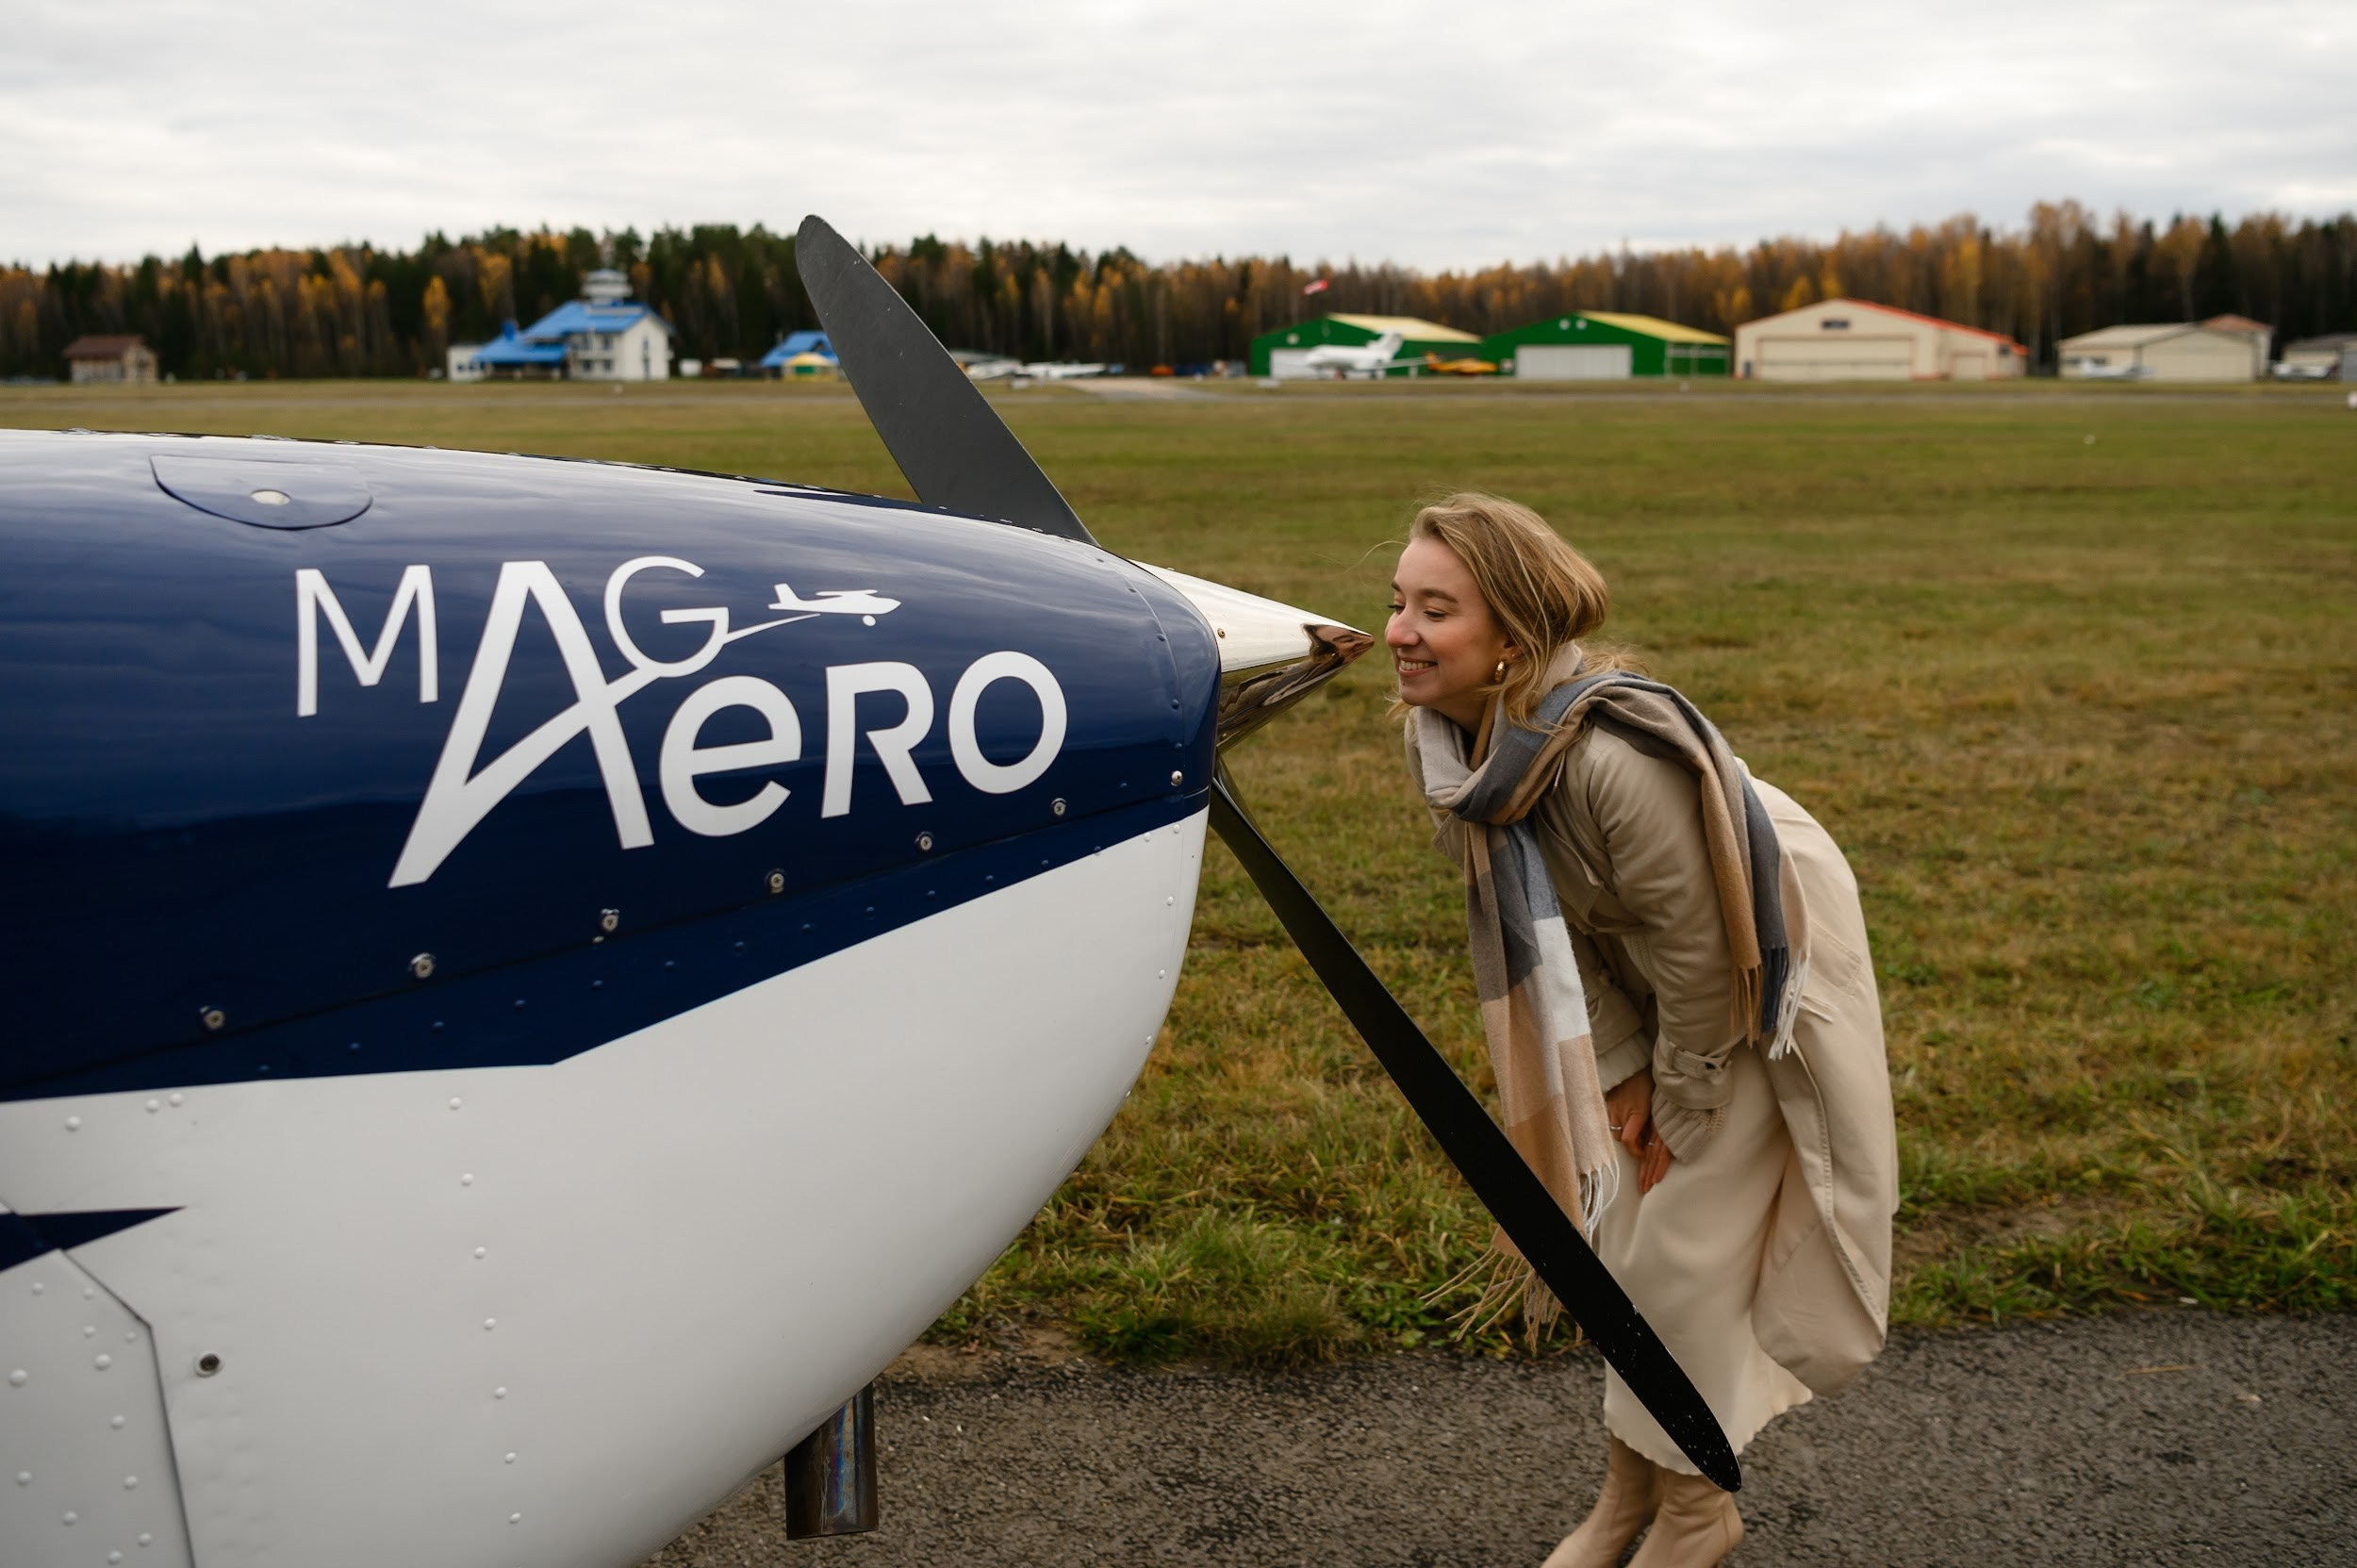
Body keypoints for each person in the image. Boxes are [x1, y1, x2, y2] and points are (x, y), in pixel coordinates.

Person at [1390, 494, 1899, 1568]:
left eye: (1435, 609)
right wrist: (1615, 1068)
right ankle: (1631, 1499)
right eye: (1398, 601)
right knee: (1622, 1235)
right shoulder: (1449, 745)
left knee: (1679, 1252)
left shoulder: (1617, 762)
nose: (1398, 630)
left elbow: (1705, 955)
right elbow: (1545, 928)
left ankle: (1697, 1513)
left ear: (1511, 645)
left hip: (1764, 959)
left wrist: (1681, 1094)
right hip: (1645, 960)